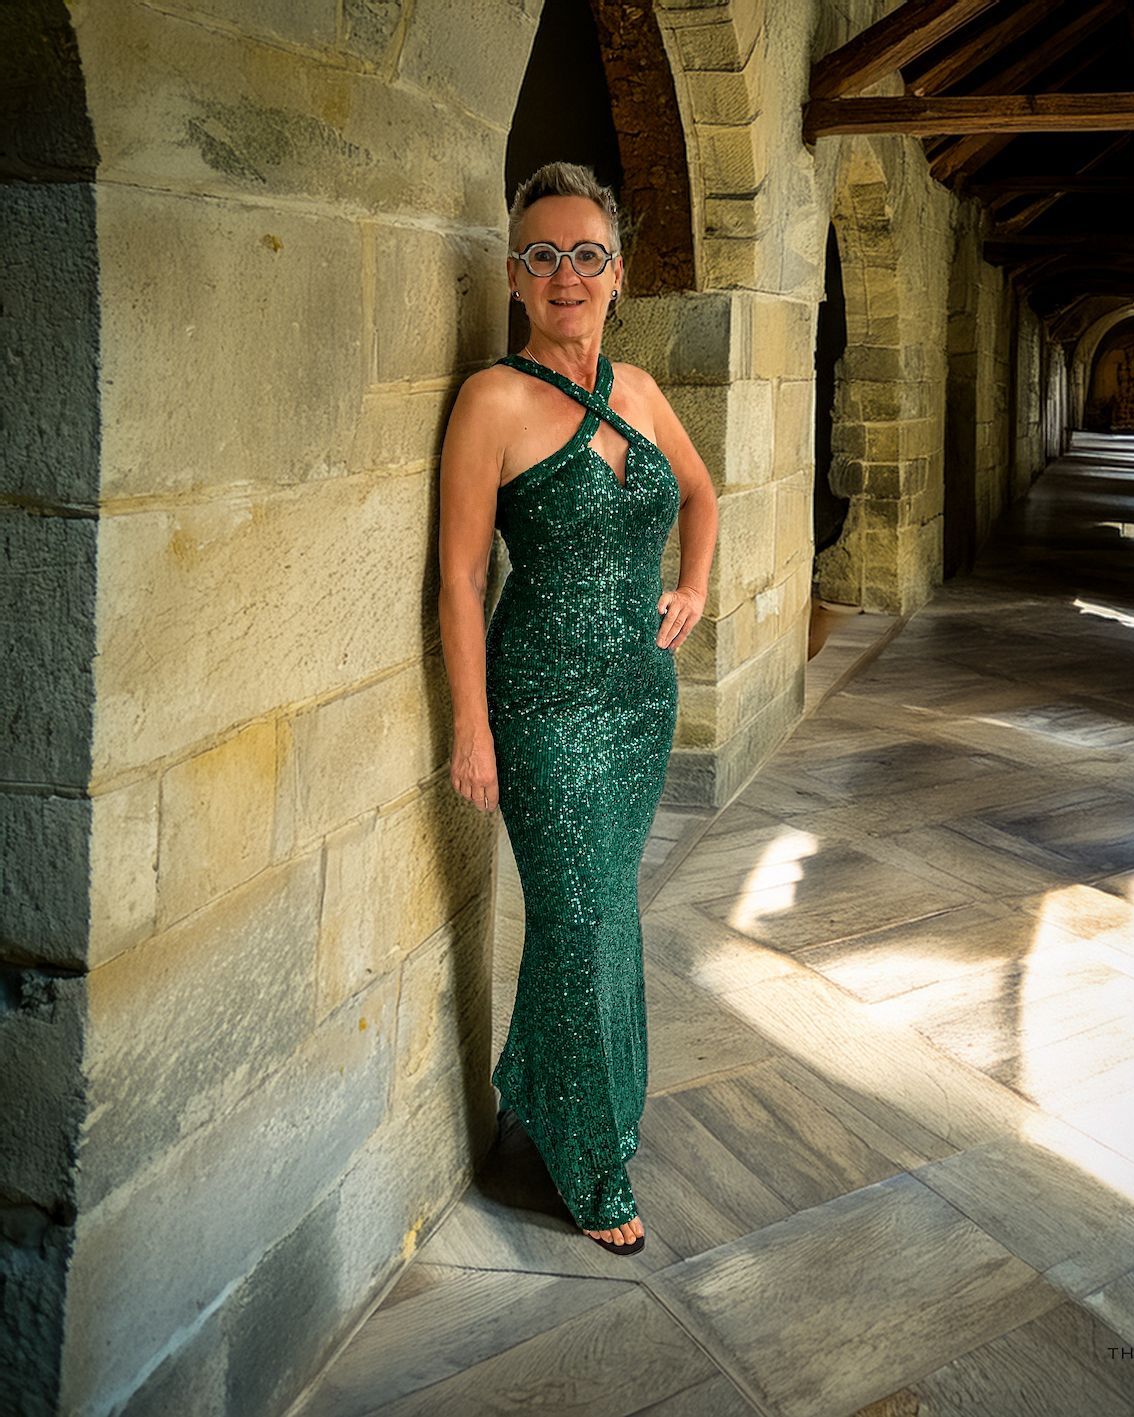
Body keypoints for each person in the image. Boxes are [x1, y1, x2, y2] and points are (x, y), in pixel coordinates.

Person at [437, 161, 718, 1256]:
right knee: (584, 918)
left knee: (601, 912)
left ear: (616, 276)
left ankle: (538, 1082)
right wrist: (471, 727)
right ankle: (592, 1164)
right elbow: (461, 579)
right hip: (543, 704)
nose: (565, 274)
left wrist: (689, 588)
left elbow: (698, 491)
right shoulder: (491, 400)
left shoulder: (641, 391)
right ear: (514, 277)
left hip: (638, 700)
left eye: (586, 255)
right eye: (543, 255)